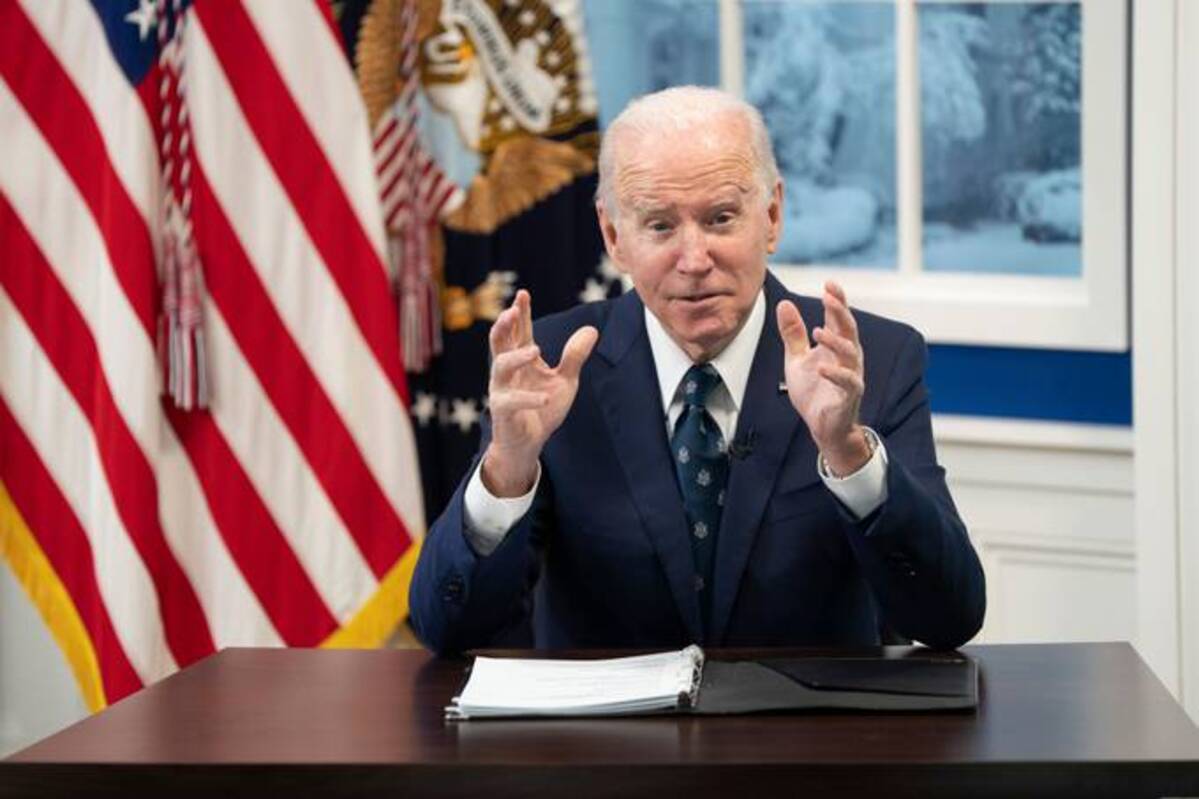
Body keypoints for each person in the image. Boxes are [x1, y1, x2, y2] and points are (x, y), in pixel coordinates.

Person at [409, 86, 985, 654]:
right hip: (610, 718)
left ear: (772, 216)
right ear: (614, 236)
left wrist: (849, 454)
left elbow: (950, 617)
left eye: (720, 218)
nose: (693, 260)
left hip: (808, 717)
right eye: (660, 226)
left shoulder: (870, 359)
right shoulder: (549, 365)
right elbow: (447, 630)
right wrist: (508, 469)